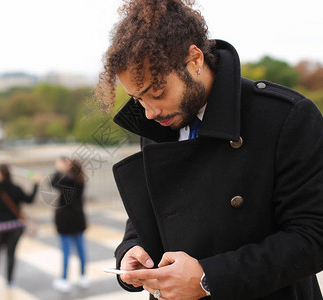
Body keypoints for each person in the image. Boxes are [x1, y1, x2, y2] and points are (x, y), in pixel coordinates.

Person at [96, 0, 323, 299]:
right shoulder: (158, 122)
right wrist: (131, 249)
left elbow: (313, 236)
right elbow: (154, 209)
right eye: (138, 99)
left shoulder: (284, 117)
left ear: (195, 59)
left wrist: (209, 278)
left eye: (158, 92)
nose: (149, 112)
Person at [0, 163, 39, 287]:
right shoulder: (16, 188)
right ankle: (10, 281)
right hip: (14, 227)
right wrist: (36, 183)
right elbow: (29, 199)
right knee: (11, 254)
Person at [50, 157, 89, 292]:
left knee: (66, 252)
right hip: (78, 219)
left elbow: (53, 182)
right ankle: (83, 276)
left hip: (66, 221)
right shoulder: (80, 179)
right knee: (81, 250)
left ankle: (65, 279)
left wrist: (59, 169)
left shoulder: (67, 180)